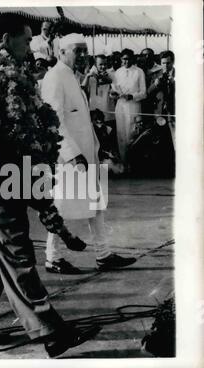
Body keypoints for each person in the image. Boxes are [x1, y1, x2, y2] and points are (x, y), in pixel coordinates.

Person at [0, 17, 99, 358]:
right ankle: (49, 330)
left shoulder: (14, 76)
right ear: (5, 39)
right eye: (26, 40)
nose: (31, 46)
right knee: (17, 253)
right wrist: (6, 183)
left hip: (12, 178)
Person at [41, 33, 137, 274]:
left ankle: (103, 254)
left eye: (85, 50)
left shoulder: (72, 76)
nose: (83, 55)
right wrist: (72, 154)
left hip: (86, 153)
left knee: (96, 203)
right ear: (62, 52)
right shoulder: (55, 77)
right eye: (77, 50)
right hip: (69, 158)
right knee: (61, 206)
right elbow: (55, 121)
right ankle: (53, 258)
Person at [110, 48, 146, 167]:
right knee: (120, 134)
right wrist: (114, 94)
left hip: (133, 106)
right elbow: (113, 89)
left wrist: (131, 96)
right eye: (124, 59)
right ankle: (124, 164)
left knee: (132, 134)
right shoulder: (118, 72)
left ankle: (133, 164)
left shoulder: (139, 72)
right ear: (121, 59)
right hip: (120, 106)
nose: (126, 61)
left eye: (129, 58)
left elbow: (144, 93)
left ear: (133, 58)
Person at [82, 54, 114, 122]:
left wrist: (104, 77)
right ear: (95, 65)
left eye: (105, 64)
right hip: (94, 109)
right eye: (101, 64)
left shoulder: (110, 74)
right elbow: (82, 88)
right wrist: (87, 76)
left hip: (107, 110)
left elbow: (111, 82)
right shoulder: (90, 74)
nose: (103, 66)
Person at [140, 48, 162, 113]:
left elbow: (158, 85)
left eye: (149, 55)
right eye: (144, 55)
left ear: (153, 56)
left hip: (156, 101)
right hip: (142, 102)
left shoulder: (160, 68)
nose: (147, 57)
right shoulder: (139, 70)